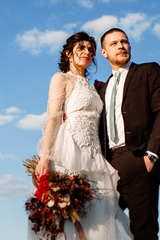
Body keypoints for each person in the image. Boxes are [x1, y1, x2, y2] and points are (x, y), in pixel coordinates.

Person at [31, 32, 132, 240]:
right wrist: (45, 157)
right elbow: (53, 118)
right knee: (71, 217)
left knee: (97, 217)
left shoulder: (93, 87)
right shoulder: (61, 78)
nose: (87, 52)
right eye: (81, 48)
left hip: (94, 154)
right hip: (70, 150)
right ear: (68, 53)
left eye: (90, 50)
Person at [98, 28, 160, 240]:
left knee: (143, 229)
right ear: (104, 52)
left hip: (139, 158)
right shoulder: (103, 88)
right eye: (114, 43)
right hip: (109, 163)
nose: (121, 46)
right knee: (100, 224)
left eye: (124, 42)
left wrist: (151, 155)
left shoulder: (148, 70)